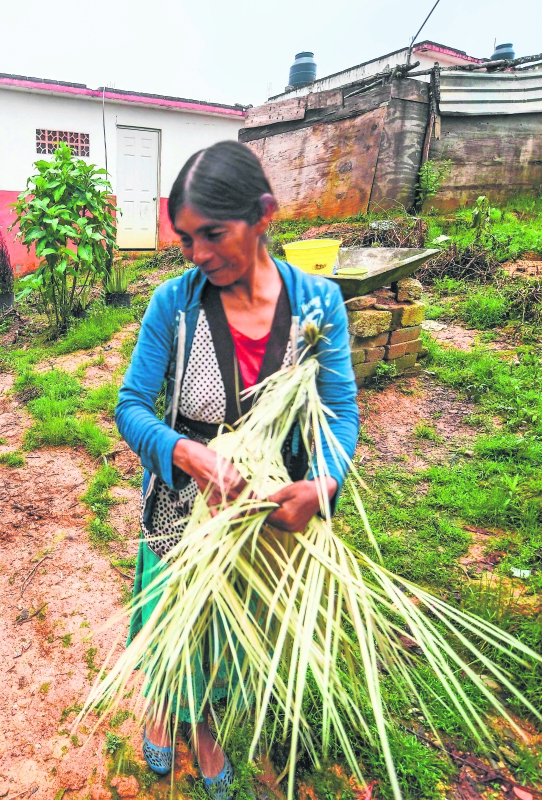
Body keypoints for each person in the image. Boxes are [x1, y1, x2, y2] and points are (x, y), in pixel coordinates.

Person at [115, 141, 359, 797]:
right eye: (187, 239)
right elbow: (132, 407)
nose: (197, 254)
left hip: (263, 518)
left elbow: (339, 415)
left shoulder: (317, 307)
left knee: (226, 633)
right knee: (174, 622)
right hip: (179, 509)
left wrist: (323, 483)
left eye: (212, 234)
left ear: (264, 215)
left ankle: (206, 730)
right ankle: (164, 713)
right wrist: (185, 454)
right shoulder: (177, 305)